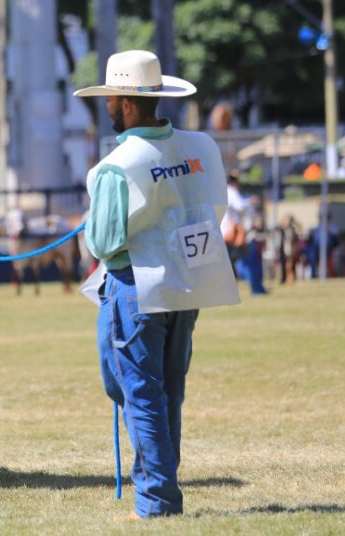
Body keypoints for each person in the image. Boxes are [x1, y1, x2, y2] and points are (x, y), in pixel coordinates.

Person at [74, 50, 241, 519]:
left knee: (138, 391)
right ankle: (160, 485)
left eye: (111, 99)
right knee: (168, 387)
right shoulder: (201, 147)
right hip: (186, 282)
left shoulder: (116, 164)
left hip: (134, 284)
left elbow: (103, 242)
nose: (107, 108)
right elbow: (216, 210)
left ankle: (157, 497)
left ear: (126, 104)